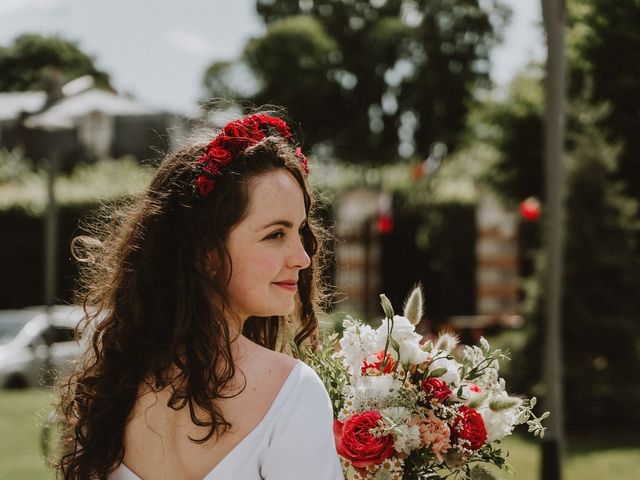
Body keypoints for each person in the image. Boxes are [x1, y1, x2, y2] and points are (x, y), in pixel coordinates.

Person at [57, 112, 345, 480]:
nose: (303, 257)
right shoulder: (292, 392)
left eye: (301, 232)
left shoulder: (109, 391)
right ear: (206, 252)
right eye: (275, 234)